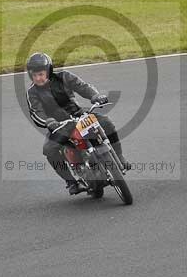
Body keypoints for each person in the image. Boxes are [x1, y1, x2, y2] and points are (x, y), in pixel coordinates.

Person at [25, 52, 128, 194]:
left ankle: (120, 157)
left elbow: (82, 87)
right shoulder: (32, 92)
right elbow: (36, 112)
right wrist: (49, 122)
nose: (38, 78)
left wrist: (95, 96)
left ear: (49, 71)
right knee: (49, 150)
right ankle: (72, 182)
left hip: (79, 115)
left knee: (106, 123)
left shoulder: (64, 77)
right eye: (34, 75)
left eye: (41, 74)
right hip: (58, 125)